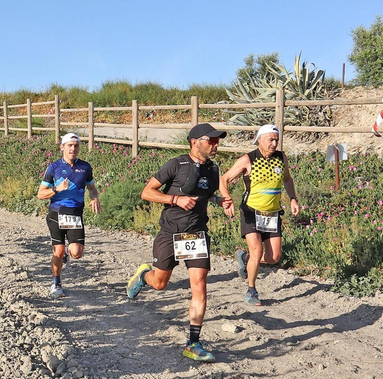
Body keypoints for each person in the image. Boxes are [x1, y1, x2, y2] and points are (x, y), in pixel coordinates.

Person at [125, 123, 233, 362]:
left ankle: (193, 343)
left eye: (217, 141)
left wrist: (219, 201)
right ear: (195, 142)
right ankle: (144, 276)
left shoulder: (213, 169)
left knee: (199, 284)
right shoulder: (176, 164)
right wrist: (175, 199)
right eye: (211, 140)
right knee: (160, 283)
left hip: (197, 234)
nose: (216, 145)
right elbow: (147, 192)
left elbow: (207, 195)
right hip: (171, 233)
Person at [219, 123, 301, 306]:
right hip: (250, 212)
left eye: (276, 140)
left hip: (272, 214)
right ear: (259, 140)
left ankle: (245, 258)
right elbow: (223, 179)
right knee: (258, 250)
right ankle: (251, 290)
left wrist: (293, 198)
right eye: (270, 140)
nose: (274, 144)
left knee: (274, 258)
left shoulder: (281, 158)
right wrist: (227, 199)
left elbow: (287, 179)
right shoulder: (248, 159)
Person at [38, 133, 98, 298]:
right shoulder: (54, 167)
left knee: (76, 253)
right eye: (69, 145)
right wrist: (57, 189)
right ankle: (56, 283)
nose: (73, 148)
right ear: (62, 147)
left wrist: (94, 197)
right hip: (56, 213)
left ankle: (66, 254)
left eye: (76, 145)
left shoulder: (85, 167)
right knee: (58, 251)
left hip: (74, 214)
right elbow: (40, 194)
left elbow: (92, 187)